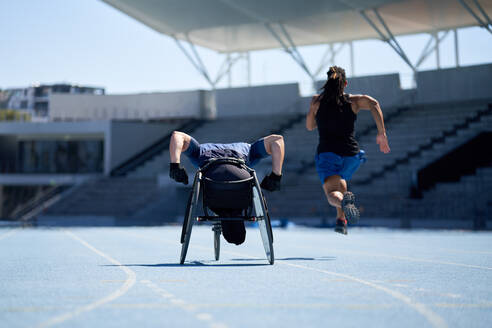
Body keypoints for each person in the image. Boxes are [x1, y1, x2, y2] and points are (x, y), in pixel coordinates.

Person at [306, 66, 390, 235]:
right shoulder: (353, 101)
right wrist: (382, 133)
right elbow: (374, 103)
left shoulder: (317, 101)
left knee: (332, 193)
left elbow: (310, 126)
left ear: (327, 82)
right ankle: (341, 220)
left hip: (328, 154)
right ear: (345, 83)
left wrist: (316, 114)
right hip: (351, 156)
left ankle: (343, 203)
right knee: (341, 181)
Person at [168, 131, 284, 244]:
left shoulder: (199, 151)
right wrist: (276, 176)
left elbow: (176, 135)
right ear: (223, 227)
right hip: (231, 180)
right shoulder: (250, 151)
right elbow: (277, 140)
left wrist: (175, 166)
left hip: (217, 181)